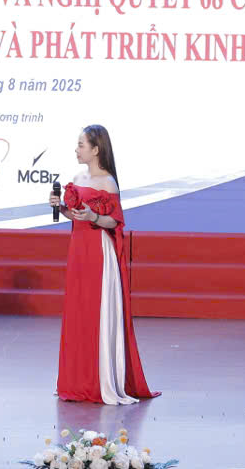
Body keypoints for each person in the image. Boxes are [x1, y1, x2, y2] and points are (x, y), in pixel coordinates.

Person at [48, 124, 160, 404]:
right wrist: (61, 208)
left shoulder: (108, 182)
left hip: (99, 251)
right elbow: (77, 216)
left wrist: (93, 217)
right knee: (79, 311)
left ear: (96, 149)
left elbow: (115, 221)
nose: (76, 150)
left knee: (98, 311)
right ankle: (78, 380)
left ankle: (101, 380)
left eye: (81, 145)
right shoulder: (77, 177)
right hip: (78, 249)